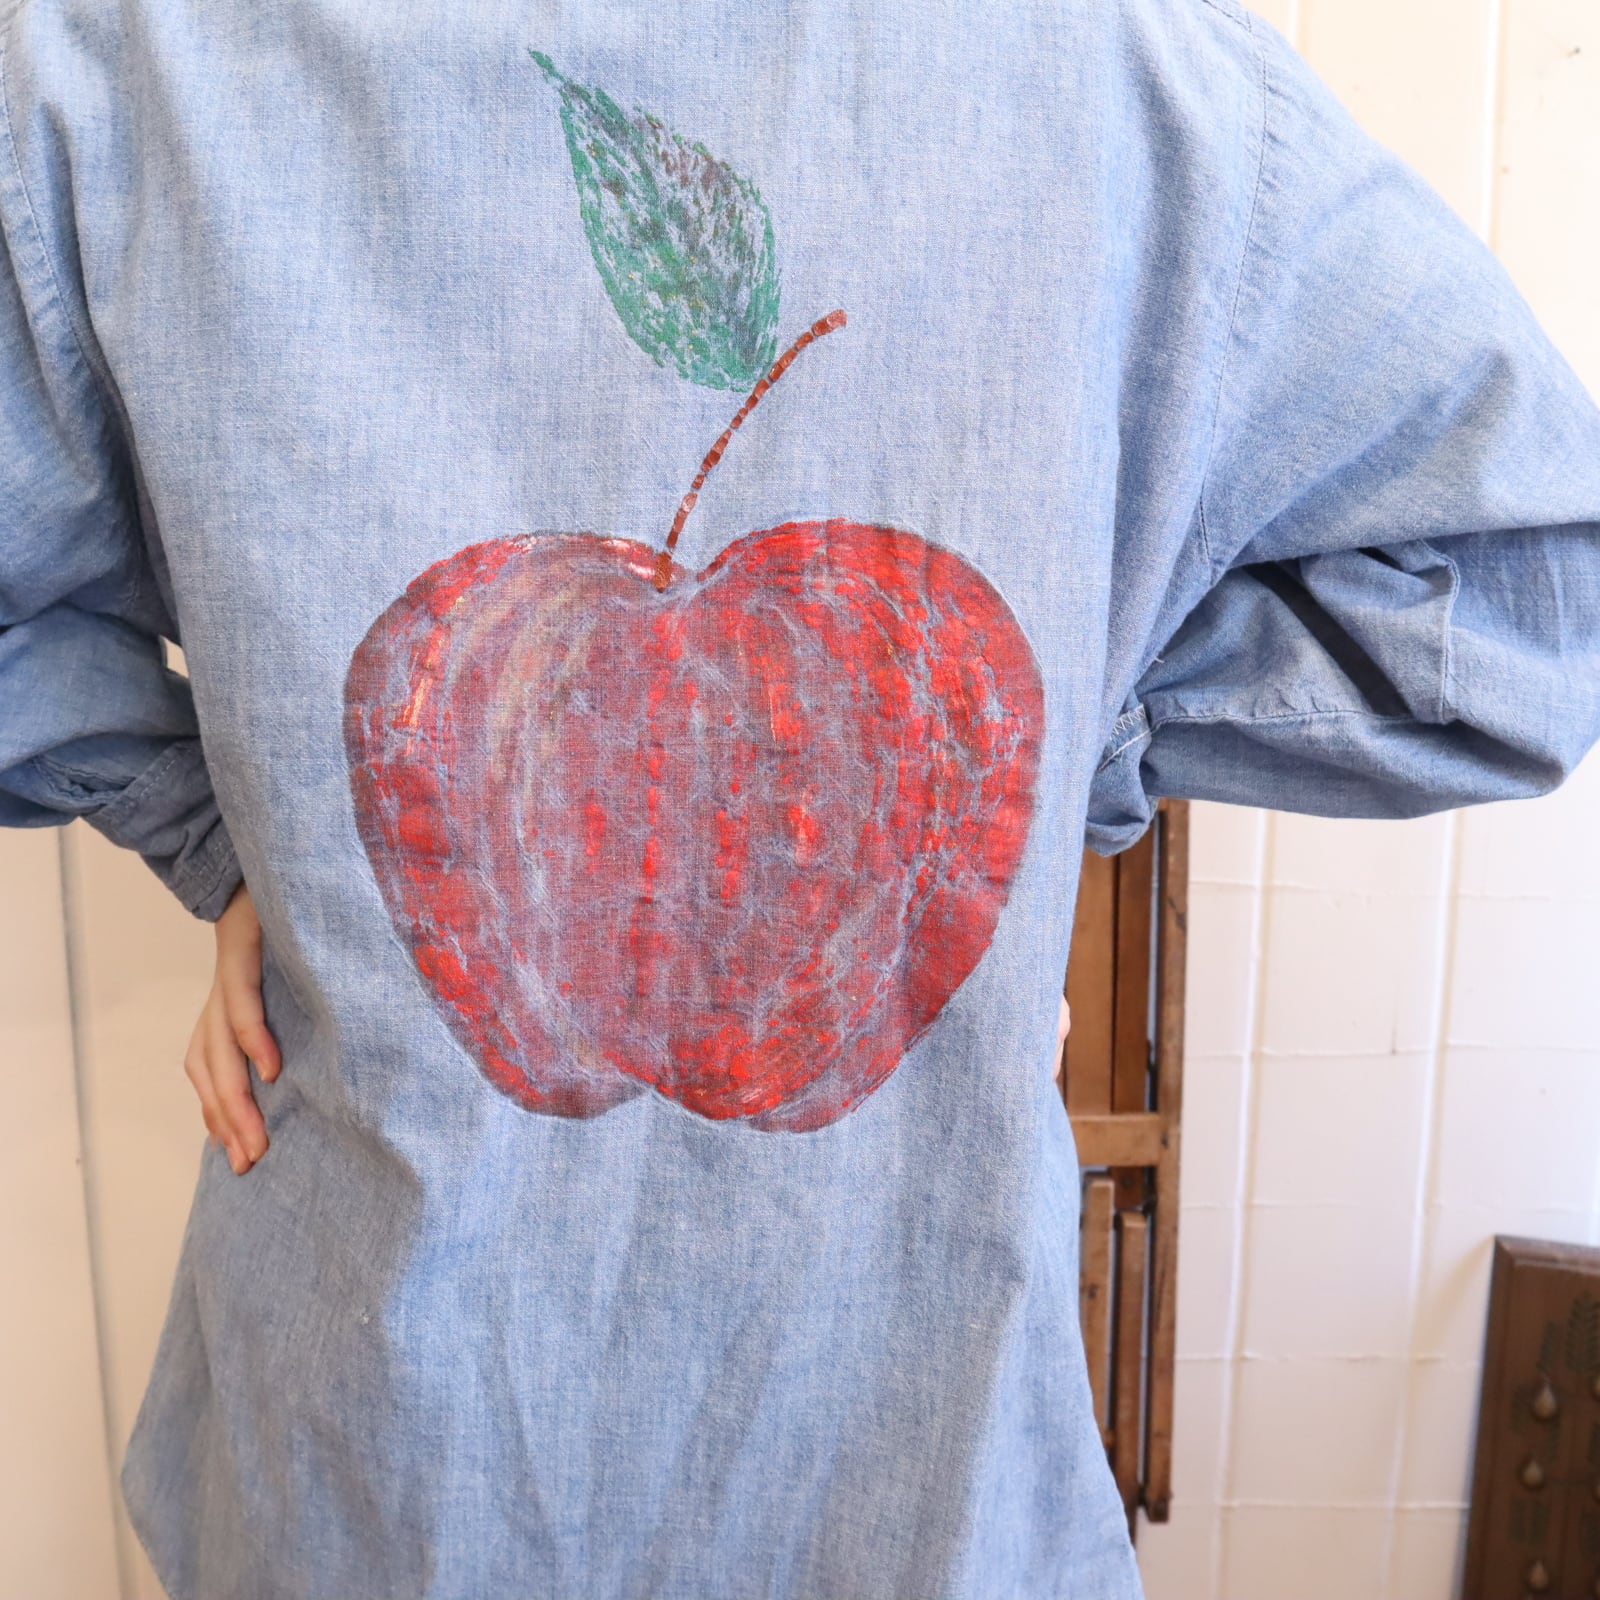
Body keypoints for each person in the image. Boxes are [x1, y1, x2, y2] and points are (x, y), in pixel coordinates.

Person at [5, 0, 1599, 1594]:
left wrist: (227, 844)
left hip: (381, 1474)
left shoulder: (127, 58)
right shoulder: (1123, 72)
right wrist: (1030, 777)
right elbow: (1533, 609)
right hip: (917, 1481)